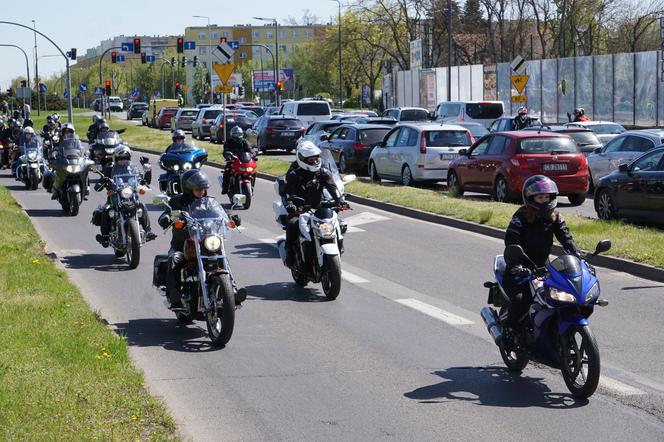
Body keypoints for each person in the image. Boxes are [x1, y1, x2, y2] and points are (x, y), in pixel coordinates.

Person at [502, 175, 581, 326]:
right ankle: (509, 332)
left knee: (564, 299)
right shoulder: (520, 217)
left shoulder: (555, 218)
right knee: (521, 301)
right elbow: (512, 240)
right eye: (540, 198)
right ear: (530, 199)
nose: (544, 201)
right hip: (520, 270)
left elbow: (567, 239)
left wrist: (579, 258)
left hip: (544, 269)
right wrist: (515, 265)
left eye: (546, 197)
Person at [283, 141, 345, 266]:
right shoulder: (294, 174)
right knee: (292, 223)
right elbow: (289, 190)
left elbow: (332, 187)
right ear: (303, 159)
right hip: (299, 208)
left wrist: (340, 200)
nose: (315, 162)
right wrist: (290, 203)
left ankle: (338, 246)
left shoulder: (323, 172)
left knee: (338, 222)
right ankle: (289, 251)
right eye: (311, 159)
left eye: (316, 158)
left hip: (318, 207)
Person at [157, 169, 210, 307]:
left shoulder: (208, 202)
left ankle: (231, 290)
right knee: (174, 259)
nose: (201, 192)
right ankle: (173, 296)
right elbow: (168, 213)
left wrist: (231, 218)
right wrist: (167, 218)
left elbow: (219, 214)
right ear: (188, 188)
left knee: (221, 257)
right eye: (198, 189)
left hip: (205, 244)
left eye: (203, 189)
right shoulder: (176, 202)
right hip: (182, 246)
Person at [94, 145, 157, 247]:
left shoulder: (132, 168)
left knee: (141, 206)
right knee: (107, 210)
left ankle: (148, 231)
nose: (122, 160)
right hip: (115, 195)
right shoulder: (110, 168)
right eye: (120, 158)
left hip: (130, 194)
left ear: (129, 158)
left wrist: (148, 169)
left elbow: (144, 181)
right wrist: (103, 181)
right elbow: (99, 184)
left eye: (125, 158)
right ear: (116, 159)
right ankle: (105, 237)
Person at [221, 126, 255, 195]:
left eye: (239, 134)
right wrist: (228, 155)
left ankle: (251, 187)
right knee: (227, 171)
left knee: (253, 172)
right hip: (232, 161)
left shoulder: (244, 141)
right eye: (236, 134)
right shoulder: (229, 142)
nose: (237, 136)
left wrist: (253, 155)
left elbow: (250, 150)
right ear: (232, 135)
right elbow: (225, 150)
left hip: (243, 161)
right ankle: (225, 188)